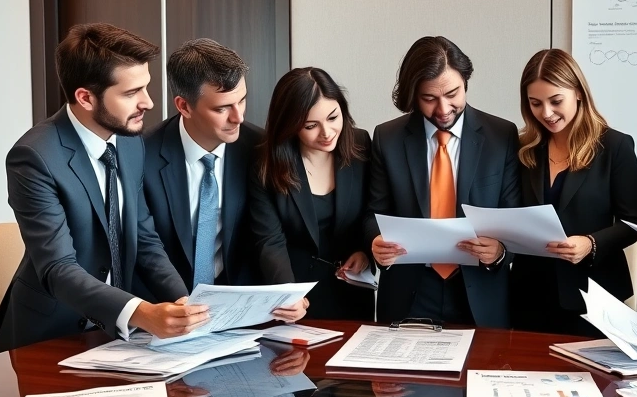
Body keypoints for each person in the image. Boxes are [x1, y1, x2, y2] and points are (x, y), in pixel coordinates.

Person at [0, 23, 208, 353]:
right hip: (50, 336)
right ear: (86, 98)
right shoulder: (33, 157)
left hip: (117, 337)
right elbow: (58, 268)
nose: (148, 102)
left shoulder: (130, 143)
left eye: (146, 87)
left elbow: (144, 238)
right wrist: (142, 312)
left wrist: (183, 302)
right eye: (131, 93)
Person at [368, 36, 521, 327]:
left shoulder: (502, 136)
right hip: (408, 292)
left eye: (452, 93)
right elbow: (372, 214)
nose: (443, 108)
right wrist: (374, 242)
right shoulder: (387, 139)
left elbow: (514, 217)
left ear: (466, 81)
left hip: (481, 290)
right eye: (429, 98)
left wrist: (501, 251)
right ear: (413, 95)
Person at [510, 49, 637, 336]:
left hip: (593, 295)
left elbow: (632, 225)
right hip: (528, 293)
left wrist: (590, 243)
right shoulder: (522, 150)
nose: (546, 113)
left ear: (578, 93)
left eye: (556, 101)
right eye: (535, 103)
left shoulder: (615, 147)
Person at [248, 67, 374, 320]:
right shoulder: (267, 162)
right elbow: (269, 241)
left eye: (333, 117)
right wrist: (287, 295)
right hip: (293, 291)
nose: (327, 133)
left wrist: (365, 252)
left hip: (351, 291)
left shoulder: (361, 144)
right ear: (290, 126)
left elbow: (372, 210)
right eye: (311, 125)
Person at [140, 40, 263, 290]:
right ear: (184, 106)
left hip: (241, 304)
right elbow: (143, 246)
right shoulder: (142, 155)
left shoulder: (261, 148)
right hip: (163, 304)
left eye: (241, 101)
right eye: (222, 108)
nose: (238, 117)